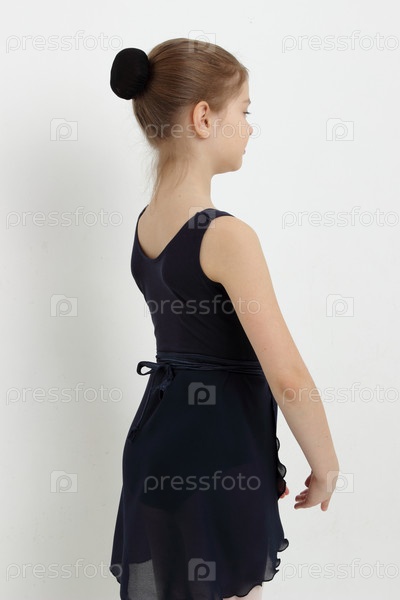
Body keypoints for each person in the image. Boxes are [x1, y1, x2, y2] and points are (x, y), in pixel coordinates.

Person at [108, 37, 340, 600]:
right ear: (204, 117)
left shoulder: (146, 227)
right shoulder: (226, 236)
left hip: (156, 446)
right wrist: (326, 464)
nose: (251, 128)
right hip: (216, 457)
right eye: (246, 110)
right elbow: (286, 374)